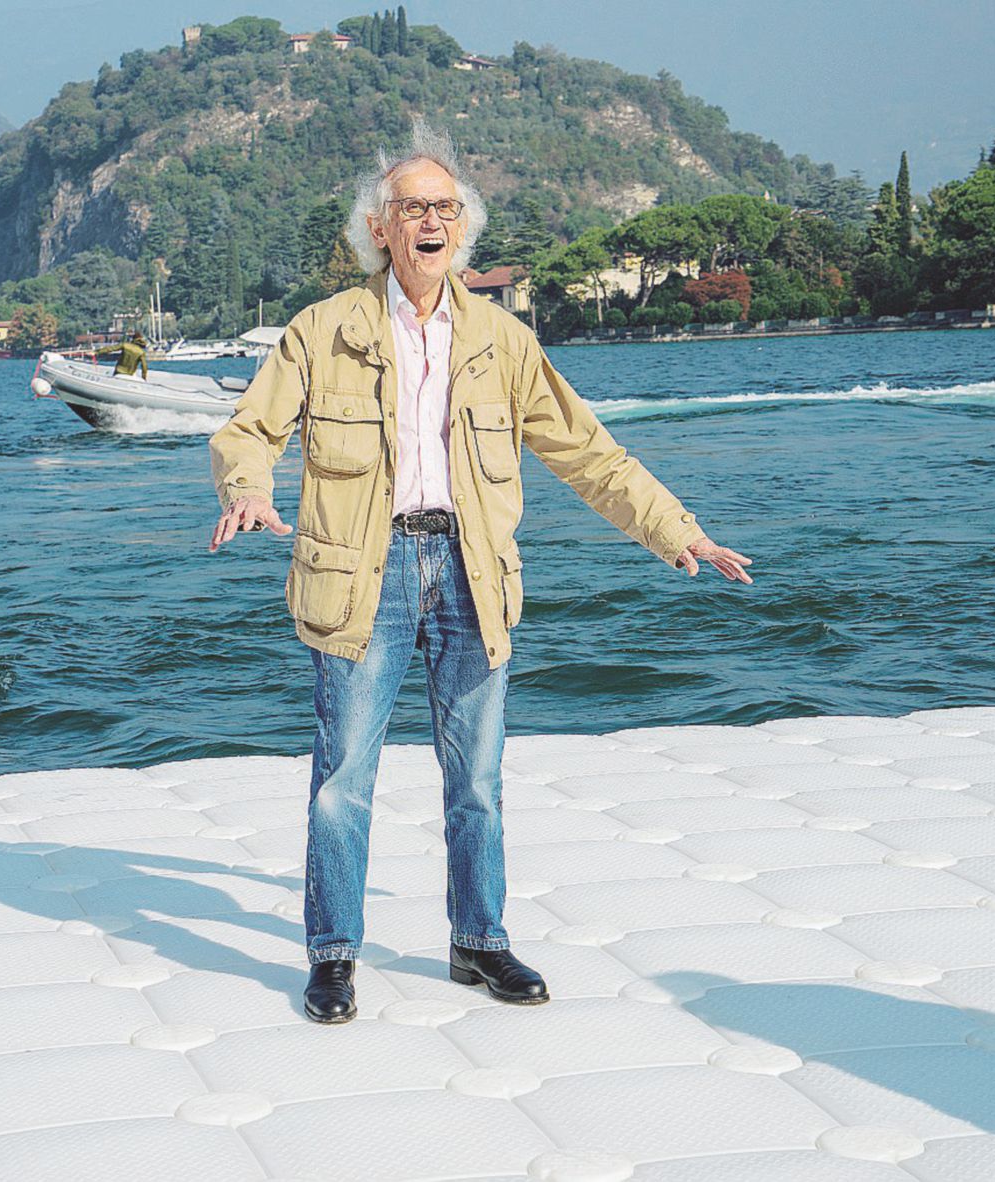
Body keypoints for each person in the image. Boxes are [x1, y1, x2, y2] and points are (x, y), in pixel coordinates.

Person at [207, 121, 753, 1025]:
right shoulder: (322, 331)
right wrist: (246, 488)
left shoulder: (503, 340)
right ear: (378, 228)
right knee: (344, 774)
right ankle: (334, 953)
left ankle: (478, 941)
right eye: (412, 207)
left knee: (479, 779)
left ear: (462, 227)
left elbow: (588, 454)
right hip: (362, 574)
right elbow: (248, 432)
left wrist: (676, 532)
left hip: (472, 570)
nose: (431, 221)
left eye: (445, 208)